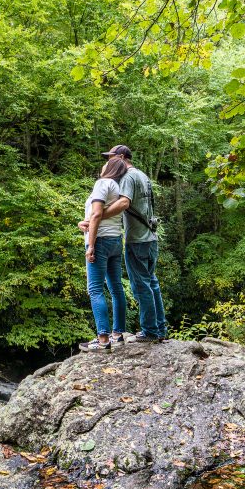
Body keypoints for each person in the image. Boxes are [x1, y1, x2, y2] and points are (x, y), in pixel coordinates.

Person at [87, 145, 167, 342]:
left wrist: (96, 218)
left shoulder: (128, 177)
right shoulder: (143, 175)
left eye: (112, 158)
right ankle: (160, 329)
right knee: (152, 283)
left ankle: (150, 331)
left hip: (137, 239)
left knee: (141, 286)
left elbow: (124, 203)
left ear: (121, 158)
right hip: (150, 236)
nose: (109, 162)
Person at [78, 157, 130, 351]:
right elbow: (97, 216)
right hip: (116, 240)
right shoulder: (118, 188)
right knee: (116, 288)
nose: (103, 164)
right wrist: (83, 223)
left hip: (99, 241)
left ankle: (102, 340)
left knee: (95, 289)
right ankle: (118, 334)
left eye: (106, 162)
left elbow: (98, 214)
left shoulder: (102, 183)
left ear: (111, 168)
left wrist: (90, 245)